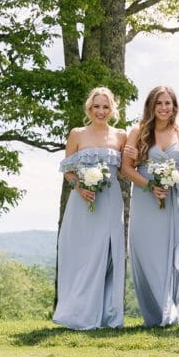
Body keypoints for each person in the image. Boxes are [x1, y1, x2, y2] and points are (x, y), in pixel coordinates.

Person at [53, 87, 126, 329]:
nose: (101, 111)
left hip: (111, 201)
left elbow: (127, 168)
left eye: (106, 107)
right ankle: (77, 311)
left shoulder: (121, 136)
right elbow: (67, 170)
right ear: (89, 108)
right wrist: (80, 188)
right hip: (82, 201)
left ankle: (106, 313)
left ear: (112, 109)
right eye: (97, 106)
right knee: (82, 254)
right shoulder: (77, 134)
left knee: (107, 254)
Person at [121, 85, 179, 326]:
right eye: (159, 103)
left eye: (168, 103)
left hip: (173, 199)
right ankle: (157, 309)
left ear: (174, 106)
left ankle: (169, 307)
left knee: (171, 252)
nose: (163, 108)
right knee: (148, 251)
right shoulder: (138, 131)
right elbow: (125, 168)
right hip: (145, 198)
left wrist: (173, 178)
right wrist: (149, 186)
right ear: (151, 106)